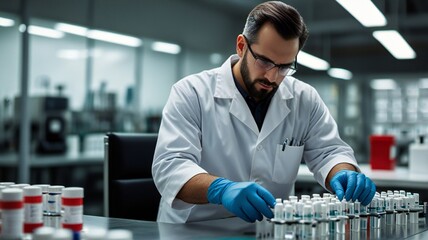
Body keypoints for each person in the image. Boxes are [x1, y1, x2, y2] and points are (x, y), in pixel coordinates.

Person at [152, 1, 376, 223]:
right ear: (241, 46)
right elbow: (171, 166)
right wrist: (220, 190)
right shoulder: (192, 92)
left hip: (270, 229)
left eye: (284, 66)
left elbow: (329, 152)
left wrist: (342, 173)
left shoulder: (304, 98)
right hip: (193, 230)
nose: (272, 77)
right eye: (264, 61)